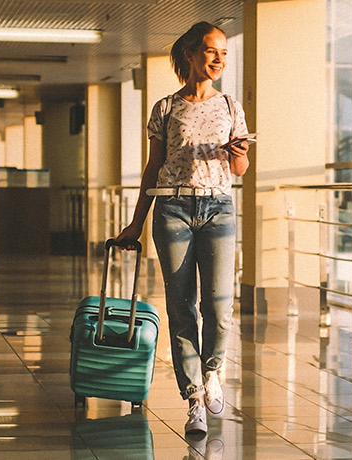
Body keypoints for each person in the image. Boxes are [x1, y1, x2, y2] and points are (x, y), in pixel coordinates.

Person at [110, 21, 251, 436]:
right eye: (211, 51)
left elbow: (240, 168)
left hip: (219, 208)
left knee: (220, 306)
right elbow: (152, 167)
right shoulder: (165, 107)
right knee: (181, 306)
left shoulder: (230, 106)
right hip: (171, 207)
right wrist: (136, 222)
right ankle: (193, 400)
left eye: (224, 53)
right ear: (190, 54)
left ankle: (212, 373)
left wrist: (238, 153)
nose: (219, 59)